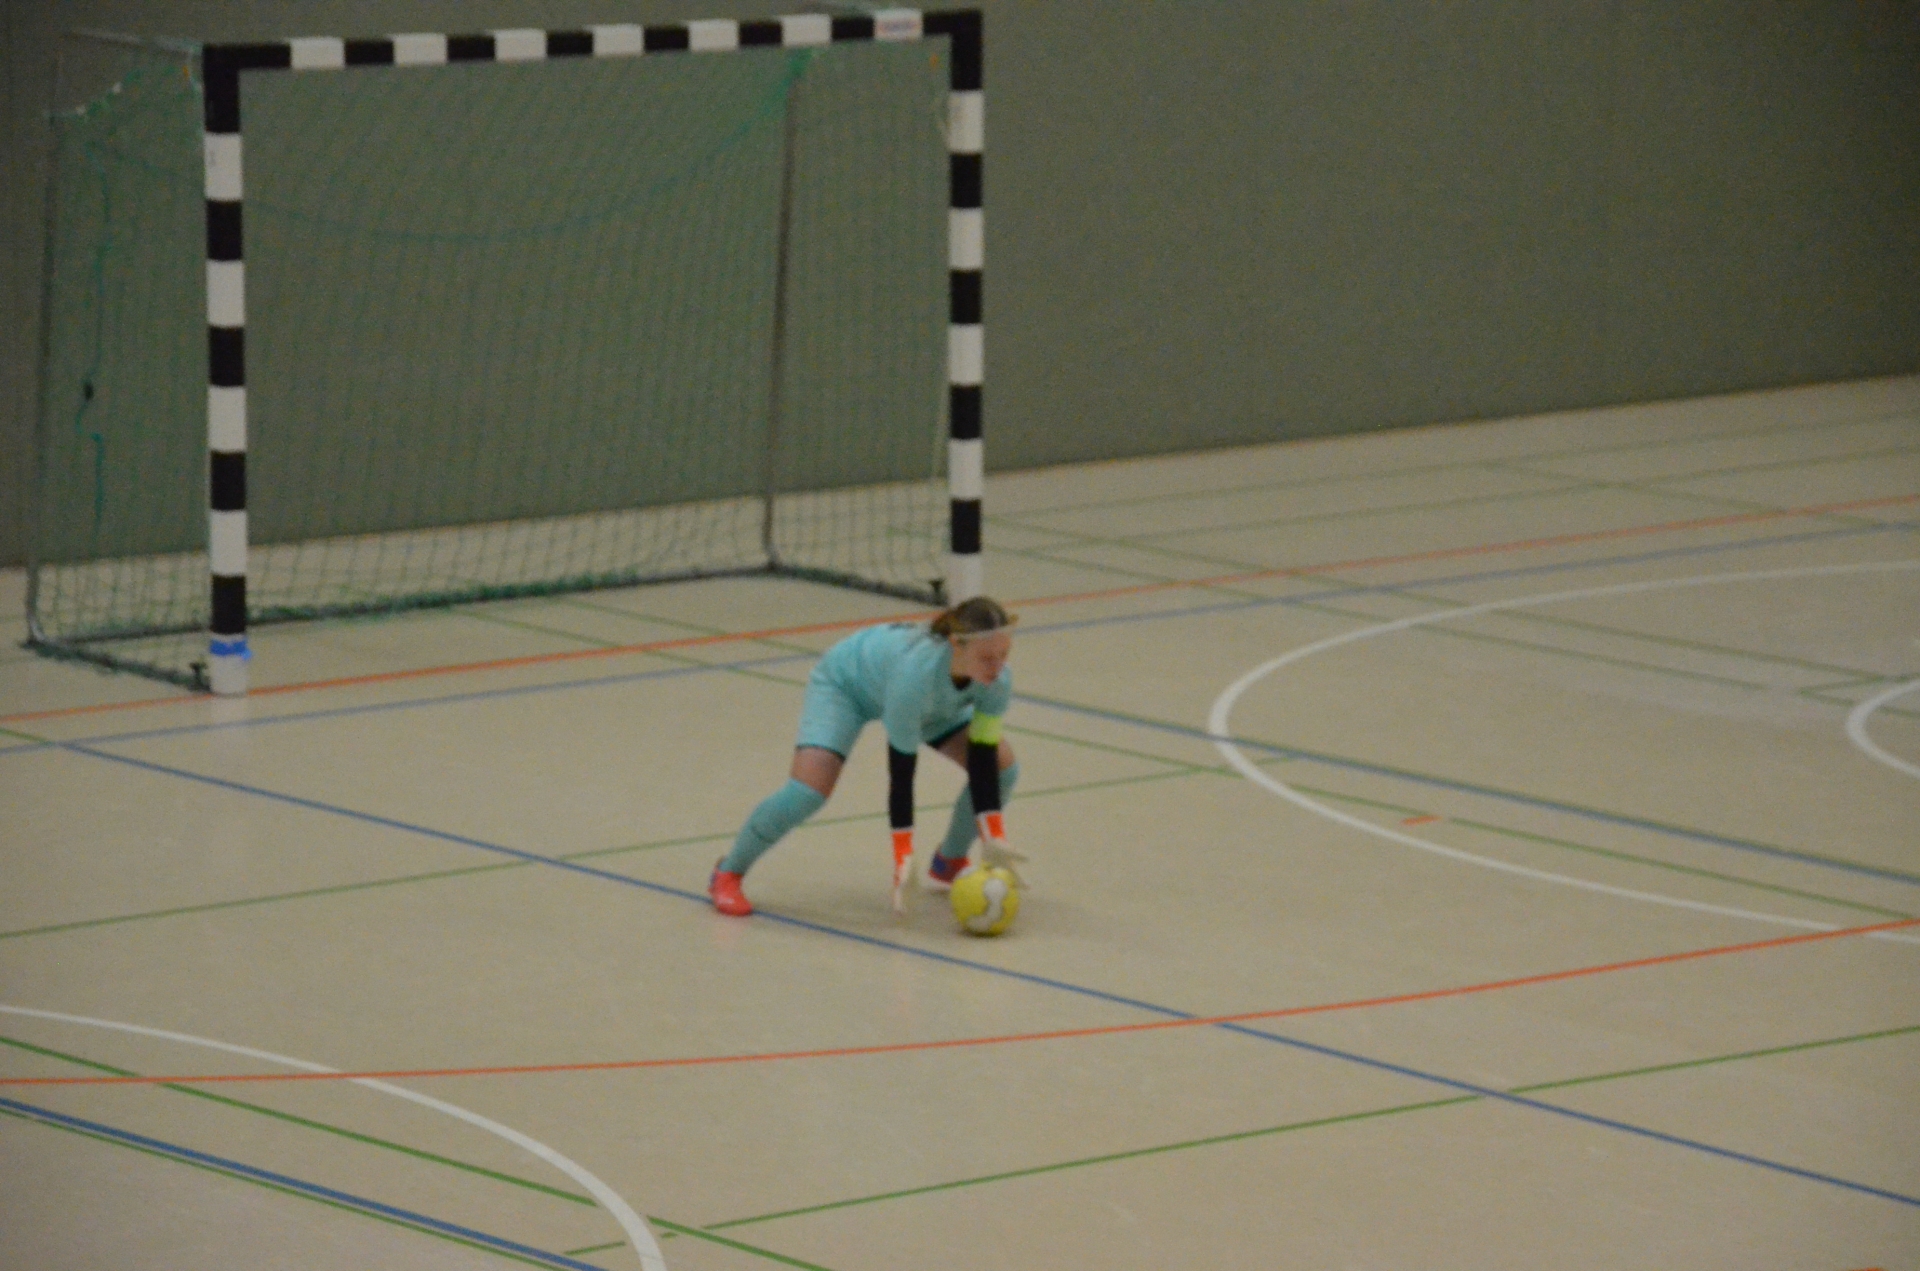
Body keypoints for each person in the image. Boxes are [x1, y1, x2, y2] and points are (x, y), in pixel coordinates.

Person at [710, 596, 1025, 917]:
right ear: (956, 644)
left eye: (1004, 654)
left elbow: (983, 757)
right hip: (847, 687)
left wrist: (994, 835)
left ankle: (949, 862)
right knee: (807, 792)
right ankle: (728, 871)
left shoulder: (996, 678)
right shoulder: (914, 677)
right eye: (987, 658)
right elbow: (902, 775)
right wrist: (903, 856)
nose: (997, 666)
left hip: (927, 704)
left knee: (1002, 768)